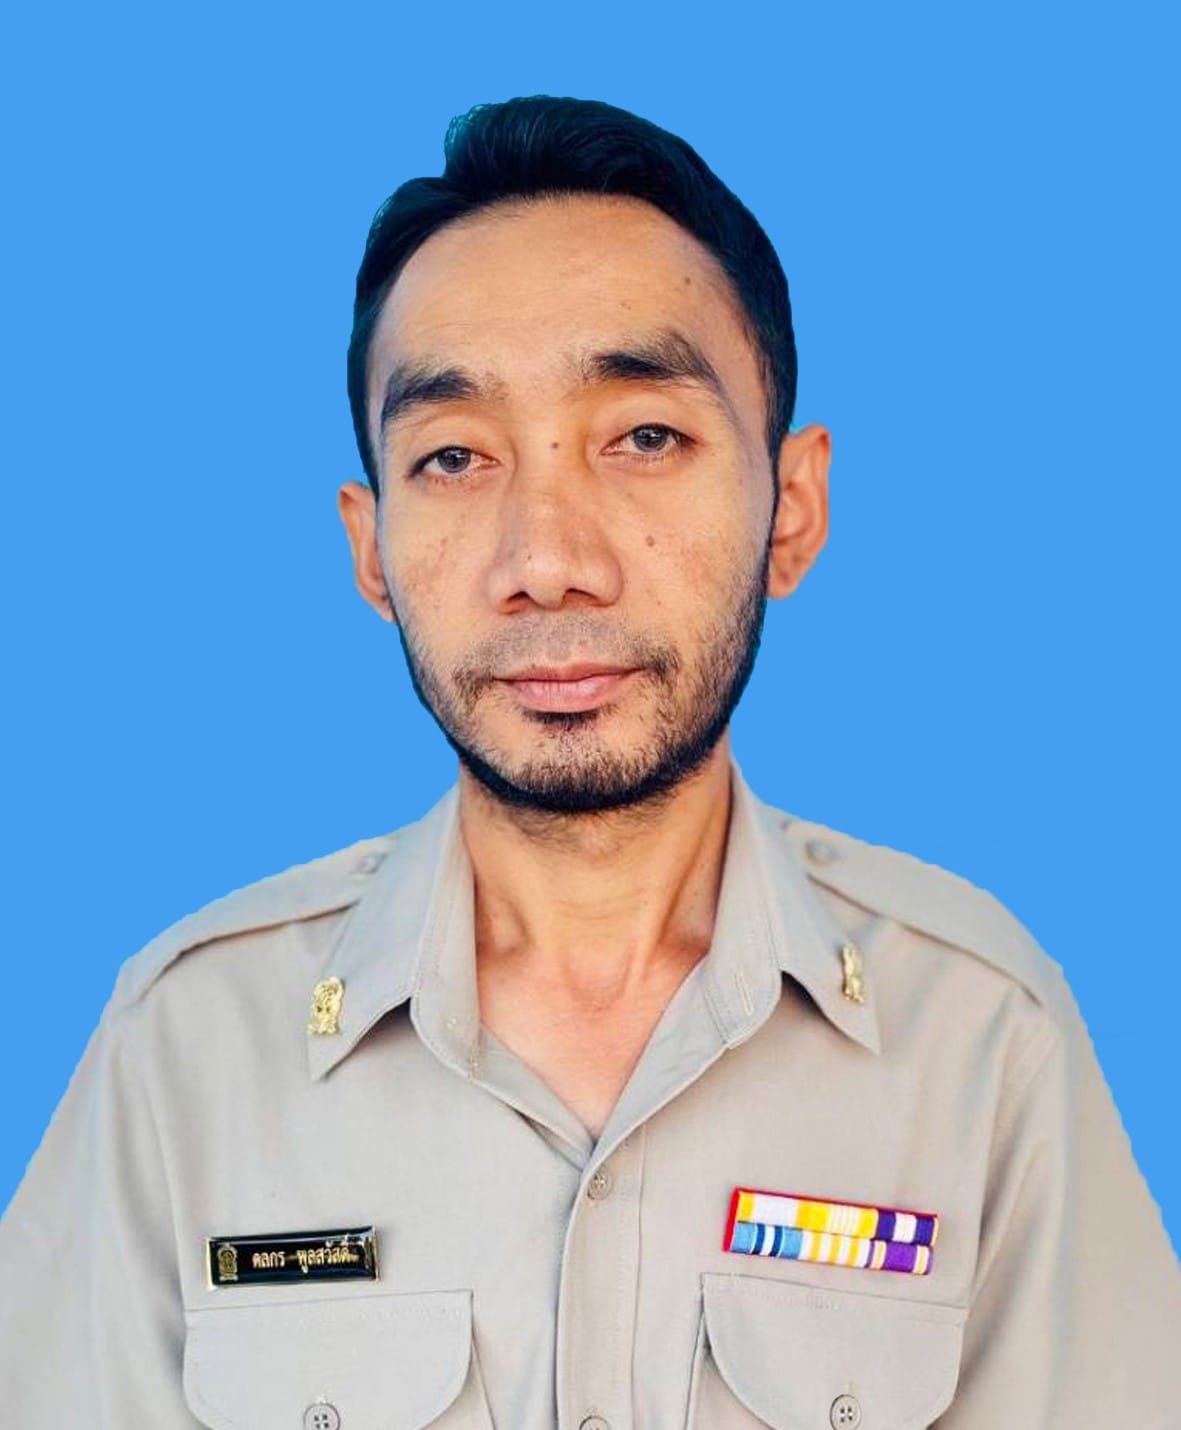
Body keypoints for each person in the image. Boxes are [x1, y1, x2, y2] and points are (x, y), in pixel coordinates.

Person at [2, 94, 1179, 1429]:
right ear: (370, 548)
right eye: (453, 456)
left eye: (644, 437)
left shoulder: (979, 1038)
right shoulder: (184, 1050)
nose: (547, 559)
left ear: (791, 509)